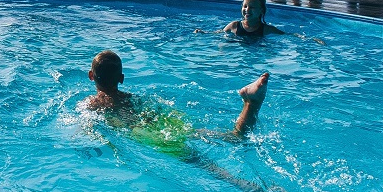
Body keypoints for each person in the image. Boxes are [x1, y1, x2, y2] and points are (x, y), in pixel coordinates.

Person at [83, 50, 270, 138]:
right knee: (231, 137)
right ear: (122, 79)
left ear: (91, 76)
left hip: (147, 134)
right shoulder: (132, 98)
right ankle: (250, 103)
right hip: (162, 123)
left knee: (207, 166)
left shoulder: (93, 103)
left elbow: (88, 128)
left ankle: (251, 103)